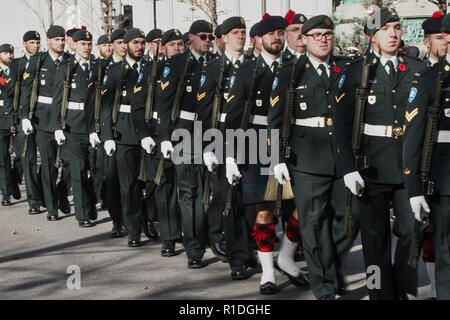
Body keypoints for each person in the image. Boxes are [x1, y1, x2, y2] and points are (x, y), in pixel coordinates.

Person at [334, 7, 427, 300]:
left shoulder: (415, 69)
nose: (394, 34)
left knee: (412, 230)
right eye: (386, 29)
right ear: (370, 36)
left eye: (397, 27)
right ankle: (378, 293)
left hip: (406, 165)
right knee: (374, 241)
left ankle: (401, 285)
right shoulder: (356, 71)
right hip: (370, 165)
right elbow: (341, 124)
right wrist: (348, 167)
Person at [269, 14, 355, 300]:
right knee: (314, 223)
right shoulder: (290, 73)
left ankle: (330, 265)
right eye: (316, 35)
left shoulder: (347, 69)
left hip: (343, 157)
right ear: (304, 39)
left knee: (348, 218)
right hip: (306, 159)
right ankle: (325, 288)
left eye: (327, 34)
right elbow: (275, 119)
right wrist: (277, 158)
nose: (323, 40)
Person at [225, 13, 308, 295]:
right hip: (256, 142)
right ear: (258, 38)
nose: (277, 38)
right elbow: (233, 117)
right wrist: (229, 155)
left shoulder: (295, 67)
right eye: (271, 33)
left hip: (291, 142)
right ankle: (268, 272)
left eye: (281, 33)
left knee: (300, 204)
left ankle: (286, 256)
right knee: (264, 210)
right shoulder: (247, 71)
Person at [197, 16, 254, 277]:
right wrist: (207, 146)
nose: (240, 36)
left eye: (243, 32)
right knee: (230, 201)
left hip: (251, 138)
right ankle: (237, 259)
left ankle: (246, 248)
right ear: (224, 38)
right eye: (235, 32)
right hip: (221, 137)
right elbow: (204, 111)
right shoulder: (213, 69)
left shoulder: (254, 67)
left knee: (249, 201)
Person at [157, 20, 216, 268]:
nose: (207, 40)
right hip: (186, 133)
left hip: (214, 132)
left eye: (211, 37)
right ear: (191, 38)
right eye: (203, 36)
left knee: (214, 191)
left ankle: (216, 237)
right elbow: (164, 103)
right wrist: (163, 138)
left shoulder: (217, 64)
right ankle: (194, 248)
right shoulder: (177, 65)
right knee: (190, 193)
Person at [403, 12, 450, 301]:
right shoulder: (430, 79)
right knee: (445, 246)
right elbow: (413, 138)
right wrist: (413, 189)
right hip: (445, 177)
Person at [132, 28, 184, 257]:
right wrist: (144, 135)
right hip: (157, 135)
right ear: (163, 48)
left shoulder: (191, 69)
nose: (178, 49)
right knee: (163, 187)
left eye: (181, 44)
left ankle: (186, 230)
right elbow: (138, 106)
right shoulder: (152, 70)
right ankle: (170, 237)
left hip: (185, 134)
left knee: (185, 188)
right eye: (173, 45)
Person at [101, 28, 148, 247]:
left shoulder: (151, 69)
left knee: (151, 182)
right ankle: (133, 228)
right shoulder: (114, 71)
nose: (139, 46)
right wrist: (107, 135)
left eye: (142, 42)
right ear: (126, 45)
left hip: (148, 133)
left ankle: (148, 219)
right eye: (135, 42)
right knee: (128, 185)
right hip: (124, 133)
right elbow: (105, 106)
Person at [21, 25, 72, 221]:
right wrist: (25, 116)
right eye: (56, 39)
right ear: (49, 41)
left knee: (72, 162)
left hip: (67, 121)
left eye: (62, 39)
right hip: (43, 121)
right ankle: (51, 208)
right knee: (49, 166)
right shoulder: (37, 61)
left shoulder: (69, 61)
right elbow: (27, 91)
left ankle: (61, 190)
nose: (60, 42)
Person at [52, 30, 98, 227]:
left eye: (89, 44)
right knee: (78, 170)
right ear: (75, 45)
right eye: (83, 44)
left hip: (94, 126)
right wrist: (57, 127)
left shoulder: (97, 67)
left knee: (95, 169)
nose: (87, 48)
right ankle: (82, 214)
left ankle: (89, 202)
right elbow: (57, 100)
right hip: (73, 125)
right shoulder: (66, 68)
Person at [4, 31, 44, 213]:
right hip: (22, 117)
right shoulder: (16, 64)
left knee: (39, 159)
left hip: (42, 117)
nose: (35, 45)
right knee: (26, 159)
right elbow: (8, 89)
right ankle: (33, 201)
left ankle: (18, 180)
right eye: (32, 42)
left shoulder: (44, 61)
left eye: (38, 42)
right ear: (24, 44)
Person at [0, 43, 18, 206]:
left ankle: (15, 178)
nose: (9, 56)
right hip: (1, 119)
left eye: (11, 53)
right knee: (3, 158)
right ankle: (6, 194)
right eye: (6, 53)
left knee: (22, 155)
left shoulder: (17, 70)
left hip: (17, 116)